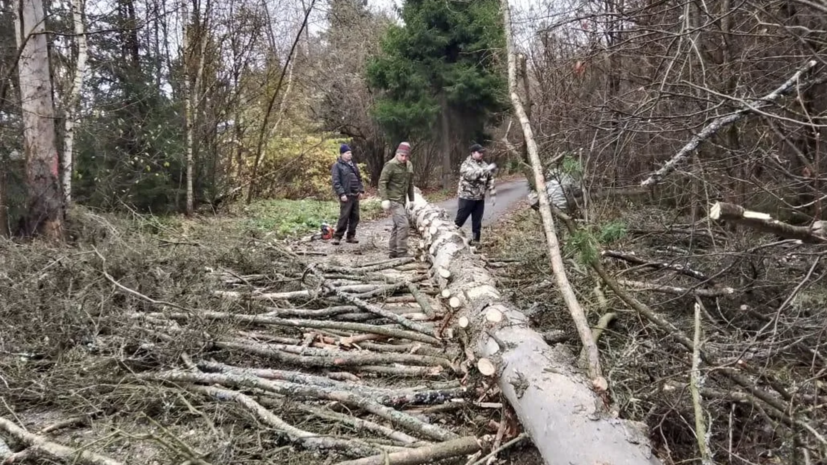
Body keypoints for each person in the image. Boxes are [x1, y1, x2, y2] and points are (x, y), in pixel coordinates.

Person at [378, 142, 415, 258]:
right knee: (404, 224)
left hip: (402, 199)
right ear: (397, 154)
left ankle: (393, 251)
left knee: (397, 226)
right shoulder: (390, 165)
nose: (403, 158)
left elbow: (410, 183)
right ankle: (402, 252)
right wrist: (385, 199)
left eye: (406, 156)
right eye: (401, 155)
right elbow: (382, 182)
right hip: (394, 199)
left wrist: (412, 199)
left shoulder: (409, 165)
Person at [455, 143, 496, 245]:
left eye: (482, 152)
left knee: (477, 222)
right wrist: (486, 170)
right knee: (460, 220)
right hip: (467, 197)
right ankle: (450, 237)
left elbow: (490, 179)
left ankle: (476, 241)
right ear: (473, 153)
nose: (482, 154)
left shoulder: (484, 164)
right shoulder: (466, 164)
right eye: (479, 152)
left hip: (479, 198)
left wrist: (492, 193)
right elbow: (471, 176)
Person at [330, 143, 365, 245]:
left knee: (355, 217)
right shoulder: (337, 166)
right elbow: (336, 182)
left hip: (355, 195)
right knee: (344, 216)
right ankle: (337, 236)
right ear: (342, 154)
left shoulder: (353, 165)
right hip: (346, 195)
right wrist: (341, 194)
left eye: (350, 153)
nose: (350, 155)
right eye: (347, 153)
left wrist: (361, 191)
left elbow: (359, 179)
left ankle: (351, 236)